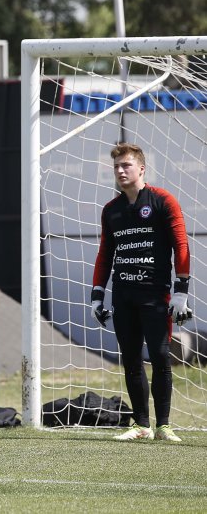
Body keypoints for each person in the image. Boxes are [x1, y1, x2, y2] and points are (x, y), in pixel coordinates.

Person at [91, 143, 191, 442]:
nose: (121, 171)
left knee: (160, 356)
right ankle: (141, 425)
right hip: (124, 296)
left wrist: (181, 292)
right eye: (117, 167)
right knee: (131, 359)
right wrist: (97, 295)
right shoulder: (111, 210)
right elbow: (104, 255)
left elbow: (181, 246)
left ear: (141, 168)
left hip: (156, 296)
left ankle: (163, 426)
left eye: (127, 166)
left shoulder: (162, 200)